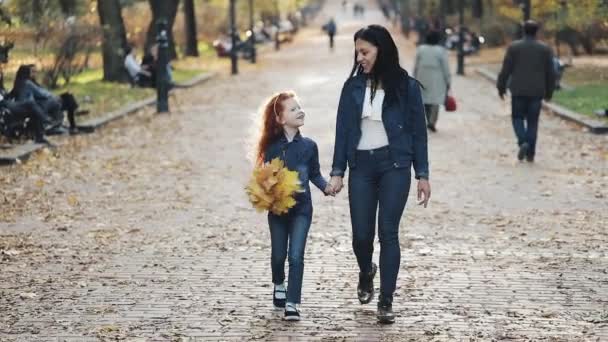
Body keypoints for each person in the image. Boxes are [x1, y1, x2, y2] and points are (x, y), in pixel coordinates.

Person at [328, 25, 431, 324]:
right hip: (361, 166)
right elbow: (343, 131)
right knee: (361, 236)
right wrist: (337, 172)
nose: (360, 57)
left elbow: (418, 134)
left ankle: (386, 301)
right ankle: (366, 271)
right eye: (357, 52)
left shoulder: (407, 87)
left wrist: (422, 174)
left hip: (394, 166)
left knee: (388, 232)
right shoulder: (352, 88)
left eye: (365, 52)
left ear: (381, 50)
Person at [254, 91, 333, 321]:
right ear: (280, 119)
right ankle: (278, 283)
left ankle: (292, 303)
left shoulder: (309, 146)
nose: (300, 111)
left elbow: (315, 174)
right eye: (293, 109)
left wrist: (326, 187)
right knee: (279, 256)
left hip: (302, 210)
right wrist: (266, 191)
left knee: (296, 255)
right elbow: (265, 177)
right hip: (278, 211)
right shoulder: (271, 148)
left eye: (300, 107)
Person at [497, 20, 556, 162]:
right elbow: (550, 73)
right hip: (537, 91)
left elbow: (506, 70)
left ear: (523, 30)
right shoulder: (545, 49)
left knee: (517, 118)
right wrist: (549, 92)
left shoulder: (514, 47)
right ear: (537, 31)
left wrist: (501, 86)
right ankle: (531, 153)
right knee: (533, 122)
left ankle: (522, 141)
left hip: (518, 90)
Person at [9, 65, 69, 135]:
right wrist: (54, 96)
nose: (33, 74)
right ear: (27, 73)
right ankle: (53, 124)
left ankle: (54, 124)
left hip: (24, 105)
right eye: (31, 72)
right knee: (54, 102)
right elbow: (40, 93)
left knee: (50, 101)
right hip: (29, 106)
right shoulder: (27, 83)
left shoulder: (18, 82)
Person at [413, 30, 451, 132]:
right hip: (437, 80)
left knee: (424, 100)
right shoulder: (441, 51)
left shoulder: (420, 49)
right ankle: (432, 122)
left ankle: (426, 120)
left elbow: (416, 66)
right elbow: (445, 67)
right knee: (435, 101)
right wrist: (448, 81)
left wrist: (414, 78)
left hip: (422, 78)